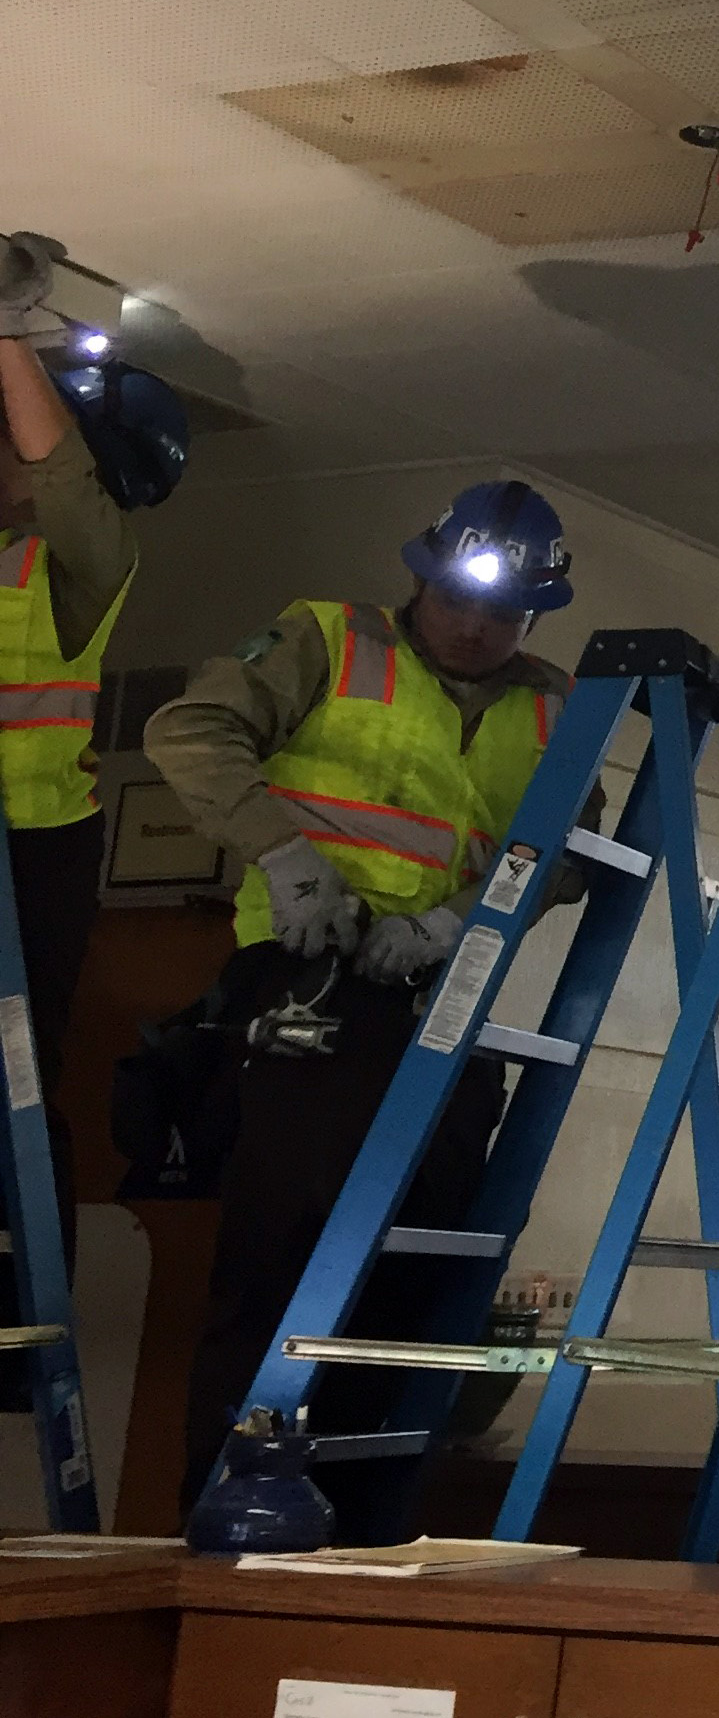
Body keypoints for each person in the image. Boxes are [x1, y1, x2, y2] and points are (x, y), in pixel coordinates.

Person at [145, 479, 581, 1533]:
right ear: (420, 578)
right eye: (459, 603)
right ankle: (230, 1517)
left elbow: (563, 849)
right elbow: (189, 732)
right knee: (282, 1258)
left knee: (426, 1263)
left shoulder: (553, 701)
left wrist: (465, 923)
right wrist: (286, 858)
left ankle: (374, 1528)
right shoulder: (328, 639)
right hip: (312, 982)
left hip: (442, 991)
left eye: (504, 615)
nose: (476, 629)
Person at [0, 230, 184, 1406]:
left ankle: (19, 1319)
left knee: (10, 1084)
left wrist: (7, 332)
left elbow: (56, 469)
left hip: (25, 854)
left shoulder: (82, 555)